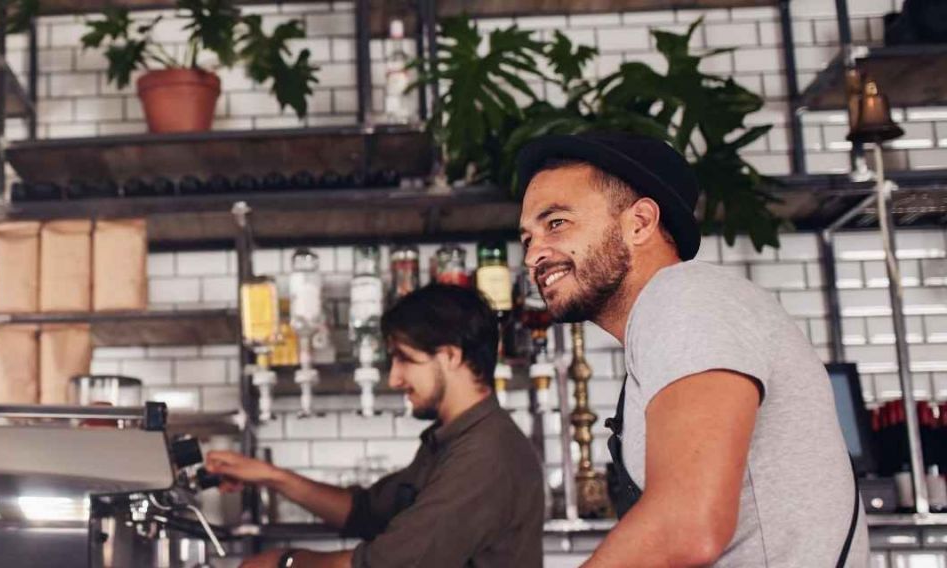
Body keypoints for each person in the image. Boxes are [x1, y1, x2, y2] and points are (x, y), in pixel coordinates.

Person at [514, 131, 866, 566]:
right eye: (527, 239)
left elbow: (686, 526)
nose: (533, 256)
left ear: (640, 222)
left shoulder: (686, 297)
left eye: (556, 223)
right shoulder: (668, 318)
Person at [207, 285, 543, 568]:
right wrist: (270, 476)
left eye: (405, 359)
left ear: (451, 356)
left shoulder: (486, 455)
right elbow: (363, 512)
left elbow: (388, 564)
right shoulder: (452, 440)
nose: (395, 379)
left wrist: (286, 562)